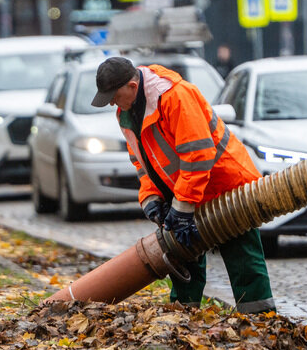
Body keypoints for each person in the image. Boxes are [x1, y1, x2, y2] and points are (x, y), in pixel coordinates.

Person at [91, 57, 275, 314]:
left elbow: (197, 155)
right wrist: (152, 199)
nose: (111, 102)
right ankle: (182, 319)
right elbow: (143, 164)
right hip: (186, 192)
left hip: (225, 187)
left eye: (114, 95)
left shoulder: (176, 97)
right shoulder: (126, 113)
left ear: (133, 86)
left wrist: (182, 207)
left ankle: (262, 322)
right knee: (182, 260)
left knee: (242, 259)